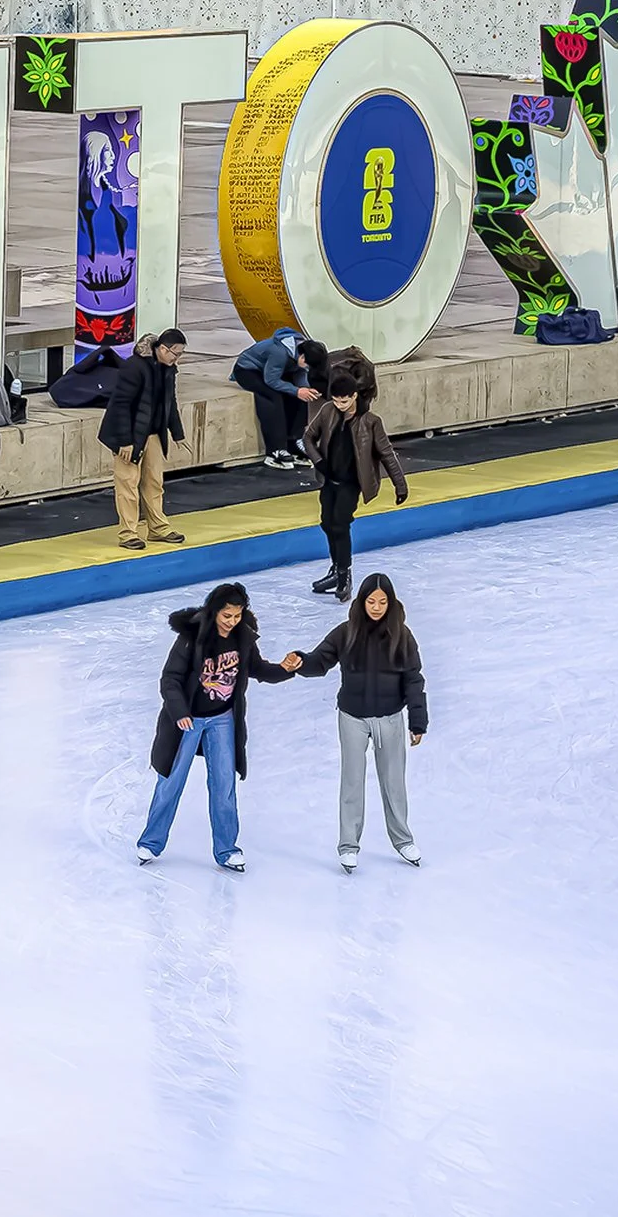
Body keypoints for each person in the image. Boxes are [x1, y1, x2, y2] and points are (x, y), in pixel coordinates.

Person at [136, 582, 294, 871]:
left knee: (223, 786)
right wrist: (180, 712)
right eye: (227, 617)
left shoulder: (243, 637)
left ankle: (227, 850)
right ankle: (151, 842)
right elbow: (170, 678)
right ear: (214, 612)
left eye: (237, 616)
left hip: (223, 719)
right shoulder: (192, 637)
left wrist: (284, 669)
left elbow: (257, 669)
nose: (232, 622)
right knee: (171, 781)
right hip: (187, 721)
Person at [288, 573, 426, 872]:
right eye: (371, 601)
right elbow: (320, 660)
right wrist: (301, 661)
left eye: (382, 602)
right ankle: (348, 845)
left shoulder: (403, 636)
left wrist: (418, 720)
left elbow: (414, 679)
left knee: (394, 782)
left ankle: (402, 839)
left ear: (391, 603)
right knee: (352, 781)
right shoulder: (345, 633)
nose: (376, 607)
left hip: (390, 717)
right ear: (362, 601)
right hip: (353, 717)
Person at [304, 370, 409, 601]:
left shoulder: (371, 422)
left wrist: (400, 485)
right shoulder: (327, 411)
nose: (339, 405)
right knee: (327, 523)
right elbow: (308, 437)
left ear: (354, 397)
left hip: (351, 482)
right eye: (335, 400)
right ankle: (335, 568)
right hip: (328, 478)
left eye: (344, 401)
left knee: (340, 524)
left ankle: (344, 575)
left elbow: (386, 454)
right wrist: (319, 462)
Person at [100, 328, 189, 552]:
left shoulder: (169, 369)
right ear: (162, 348)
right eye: (175, 353)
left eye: (180, 354)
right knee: (128, 483)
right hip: (128, 434)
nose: (176, 358)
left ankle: (158, 527)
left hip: (153, 432)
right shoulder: (134, 367)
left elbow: (170, 402)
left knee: (154, 481)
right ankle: (128, 532)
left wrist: (177, 433)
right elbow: (120, 405)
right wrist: (125, 441)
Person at [231, 328, 329, 470]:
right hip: (248, 370)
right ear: (301, 357)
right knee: (273, 397)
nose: (308, 367)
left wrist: (304, 389)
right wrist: (296, 391)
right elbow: (271, 380)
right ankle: (275, 449)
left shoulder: (304, 353)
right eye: (308, 364)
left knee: (300, 396)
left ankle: (295, 441)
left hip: (273, 370)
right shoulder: (279, 352)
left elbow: (301, 374)